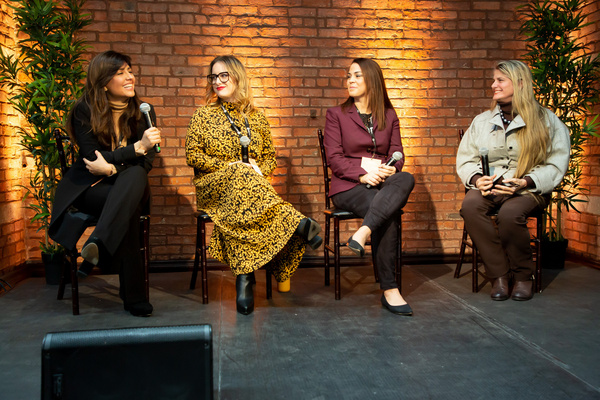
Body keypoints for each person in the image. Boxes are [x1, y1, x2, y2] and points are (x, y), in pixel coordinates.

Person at [185, 55, 322, 315]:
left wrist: (259, 169)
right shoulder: (202, 115)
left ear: (238, 76)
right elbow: (193, 155)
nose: (217, 81)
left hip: (250, 191)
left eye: (223, 75)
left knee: (245, 185)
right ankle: (297, 223)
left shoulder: (257, 118)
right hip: (214, 185)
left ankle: (245, 278)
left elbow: (269, 156)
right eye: (213, 76)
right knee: (240, 174)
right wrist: (230, 166)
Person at [49, 51, 161, 317]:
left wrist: (113, 165)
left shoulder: (144, 111)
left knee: (135, 179)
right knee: (129, 202)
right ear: (103, 81)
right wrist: (135, 150)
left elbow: (146, 164)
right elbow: (91, 160)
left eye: (130, 71)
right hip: (90, 188)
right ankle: (133, 296)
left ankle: (97, 243)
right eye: (120, 72)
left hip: (128, 185)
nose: (129, 77)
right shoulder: (84, 110)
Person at [456, 60, 570, 301]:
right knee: (470, 206)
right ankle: (499, 274)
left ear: (519, 84)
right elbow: (466, 160)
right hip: (492, 185)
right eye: (494, 79)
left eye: (500, 80)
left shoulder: (547, 121)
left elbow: (556, 165)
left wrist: (526, 182)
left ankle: (522, 276)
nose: (493, 85)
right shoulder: (482, 121)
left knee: (509, 214)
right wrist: (477, 180)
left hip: (529, 188)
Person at [324, 58, 415, 316]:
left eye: (357, 76)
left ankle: (363, 232)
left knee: (406, 178)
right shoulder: (336, 114)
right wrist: (363, 175)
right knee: (389, 212)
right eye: (349, 76)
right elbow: (335, 159)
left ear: (372, 81)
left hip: (382, 183)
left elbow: (397, 152)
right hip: (348, 186)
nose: (350, 80)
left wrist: (391, 168)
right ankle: (390, 289)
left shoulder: (388, 114)